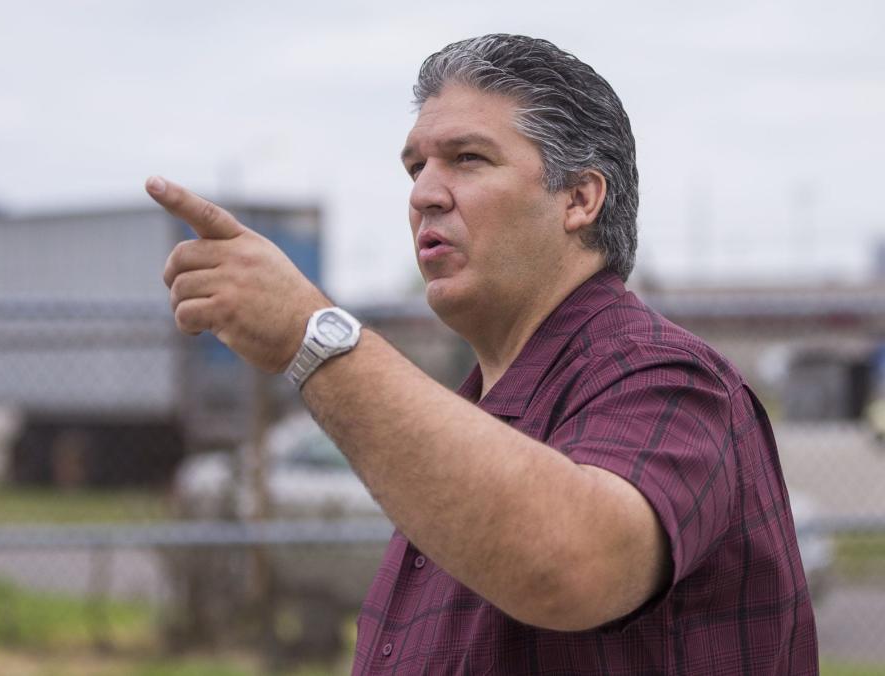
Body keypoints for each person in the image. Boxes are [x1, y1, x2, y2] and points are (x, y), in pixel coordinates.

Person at [146, 33, 818, 675]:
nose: (423, 194)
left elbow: (567, 566)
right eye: (416, 166)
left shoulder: (665, 378)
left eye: (468, 159)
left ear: (580, 198)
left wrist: (313, 336)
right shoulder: (474, 419)